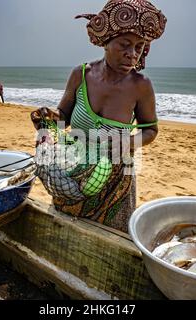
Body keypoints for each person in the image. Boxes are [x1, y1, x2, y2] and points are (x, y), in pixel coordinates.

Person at [30, 0, 167, 233]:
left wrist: (128, 143)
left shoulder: (140, 86)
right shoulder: (80, 75)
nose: (132, 55)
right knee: (66, 232)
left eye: (139, 47)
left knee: (113, 237)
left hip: (115, 178)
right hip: (73, 170)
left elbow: (151, 130)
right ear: (105, 41)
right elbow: (64, 117)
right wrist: (50, 117)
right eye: (125, 45)